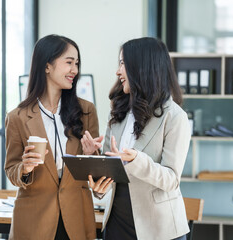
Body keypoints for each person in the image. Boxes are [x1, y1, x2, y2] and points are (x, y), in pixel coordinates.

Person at [82, 37, 191, 240]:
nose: (118, 71)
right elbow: (109, 170)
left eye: (123, 63)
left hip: (159, 230)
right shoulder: (118, 112)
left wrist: (136, 160)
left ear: (142, 67)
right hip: (116, 224)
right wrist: (95, 168)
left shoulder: (175, 117)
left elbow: (171, 180)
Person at [4, 34, 100, 240]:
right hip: (33, 220)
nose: (75, 70)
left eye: (77, 63)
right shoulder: (17, 117)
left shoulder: (86, 111)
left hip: (76, 216)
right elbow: (11, 170)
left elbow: (98, 172)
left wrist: (93, 156)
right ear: (47, 66)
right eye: (69, 62)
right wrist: (25, 168)